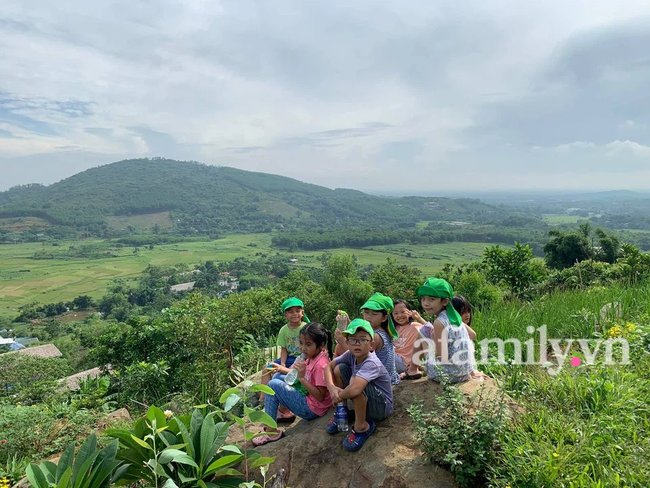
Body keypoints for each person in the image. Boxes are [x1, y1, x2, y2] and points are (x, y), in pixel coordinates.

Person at [253, 322, 334, 445]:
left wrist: (302, 379)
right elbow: (294, 374)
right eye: (301, 343)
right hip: (308, 396)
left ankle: (271, 431)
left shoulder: (320, 365)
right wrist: (282, 368)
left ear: (321, 345)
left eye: (308, 344)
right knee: (278, 376)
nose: (303, 348)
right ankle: (284, 412)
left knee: (273, 384)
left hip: (312, 409)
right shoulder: (311, 356)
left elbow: (320, 396)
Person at [324, 319, 394, 452]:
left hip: (381, 407)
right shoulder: (351, 354)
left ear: (371, 345)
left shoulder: (371, 362)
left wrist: (337, 396)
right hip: (366, 399)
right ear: (347, 342)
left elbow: (355, 389)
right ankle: (342, 411)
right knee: (339, 368)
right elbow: (328, 366)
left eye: (363, 340)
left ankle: (362, 426)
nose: (357, 343)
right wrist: (331, 388)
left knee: (355, 388)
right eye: (353, 339)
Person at [406, 278, 475, 383]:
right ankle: (413, 369)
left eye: (431, 299)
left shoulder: (440, 322)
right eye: (423, 299)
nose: (426, 303)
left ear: (445, 301)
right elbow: (473, 335)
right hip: (464, 373)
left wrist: (433, 339)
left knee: (423, 331)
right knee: (427, 329)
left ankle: (412, 370)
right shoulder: (454, 317)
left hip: (447, 375)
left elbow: (442, 357)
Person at [259, 297, 309, 419]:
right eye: (290, 311)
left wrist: (282, 368)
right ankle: (263, 399)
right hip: (289, 358)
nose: (295, 314)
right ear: (285, 315)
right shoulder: (284, 330)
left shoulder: (306, 328)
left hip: (303, 358)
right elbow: (284, 349)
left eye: (298, 310)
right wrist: (282, 363)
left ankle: (283, 408)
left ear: (302, 312)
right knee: (267, 368)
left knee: (279, 376)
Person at [358, 293, 401, 385]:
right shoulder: (378, 331)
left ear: (384, 318)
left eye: (374, 313)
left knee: (341, 368)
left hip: (380, 381)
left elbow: (357, 355)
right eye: (366, 312)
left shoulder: (375, 336)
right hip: (385, 376)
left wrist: (342, 341)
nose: (369, 316)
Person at [451, 295, 488, 380]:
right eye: (463, 312)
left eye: (468, 311)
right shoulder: (456, 329)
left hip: (469, 369)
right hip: (463, 372)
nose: (467, 315)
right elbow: (473, 335)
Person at [392, 299, 425, 380]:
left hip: (406, 363)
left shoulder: (414, 326)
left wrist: (419, 318)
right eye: (395, 313)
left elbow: (432, 330)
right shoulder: (393, 329)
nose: (399, 315)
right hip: (395, 361)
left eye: (403, 312)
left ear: (409, 312)